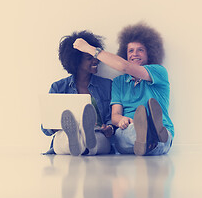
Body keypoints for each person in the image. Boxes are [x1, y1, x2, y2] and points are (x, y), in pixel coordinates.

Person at [73, 22, 174, 156]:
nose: (135, 54)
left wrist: (90, 49)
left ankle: (153, 133)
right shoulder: (119, 82)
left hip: (161, 135)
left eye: (140, 50)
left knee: (155, 138)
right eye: (130, 50)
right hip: (129, 130)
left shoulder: (158, 72)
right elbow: (115, 116)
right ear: (125, 54)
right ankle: (147, 136)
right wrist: (121, 120)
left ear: (149, 53)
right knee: (123, 134)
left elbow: (124, 67)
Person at [41, 31, 114, 156]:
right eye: (89, 58)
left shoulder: (107, 85)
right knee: (64, 138)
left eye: (95, 56)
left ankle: (83, 140)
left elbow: (112, 119)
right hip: (64, 134)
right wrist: (57, 125)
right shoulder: (58, 87)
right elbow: (45, 128)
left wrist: (110, 128)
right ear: (76, 61)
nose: (95, 60)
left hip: (98, 134)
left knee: (98, 140)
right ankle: (77, 140)